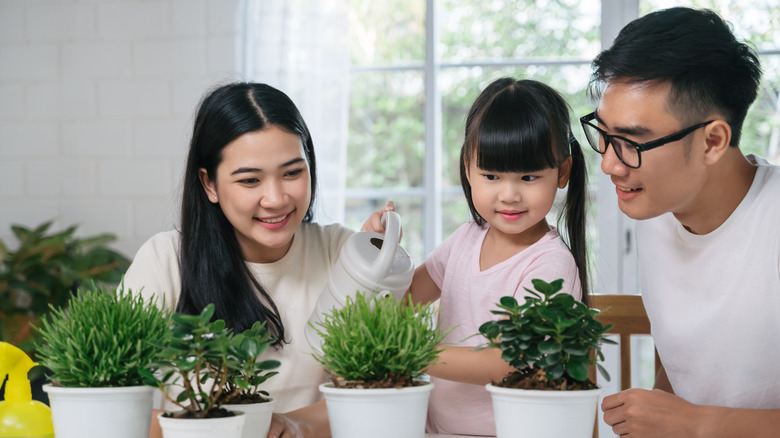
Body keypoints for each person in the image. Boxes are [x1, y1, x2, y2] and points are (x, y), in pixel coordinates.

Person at [122, 82, 393, 438]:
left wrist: (293, 426)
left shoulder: (341, 254)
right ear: (210, 184)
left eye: (293, 172)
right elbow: (112, 404)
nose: (276, 198)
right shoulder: (164, 262)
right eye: (250, 180)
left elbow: (371, 394)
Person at [582, 7, 780, 437]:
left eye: (632, 142)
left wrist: (699, 424)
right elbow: (693, 364)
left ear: (713, 141)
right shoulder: (656, 209)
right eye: (604, 135)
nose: (610, 166)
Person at [404, 77, 590, 436]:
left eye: (529, 176)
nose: (509, 194)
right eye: (491, 175)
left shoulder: (550, 264)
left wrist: (417, 353)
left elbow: (507, 361)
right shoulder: (465, 240)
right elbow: (406, 298)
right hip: (436, 429)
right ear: (468, 168)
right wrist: (382, 257)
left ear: (562, 172)